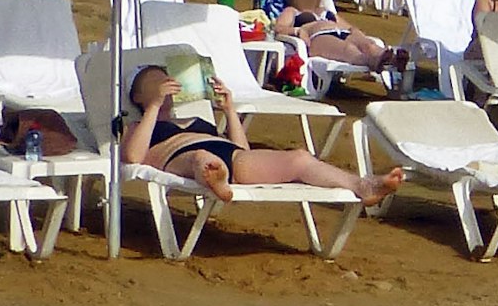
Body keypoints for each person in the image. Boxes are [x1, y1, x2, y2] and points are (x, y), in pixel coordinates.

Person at [120, 62, 397, 207]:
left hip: (228, 155)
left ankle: (362, 185)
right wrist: (154, 106)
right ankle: (215, 178)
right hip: (181, 156)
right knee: (202, 157)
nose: (163, 84)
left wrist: (229, 112)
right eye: (153, 82)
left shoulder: (196, 118)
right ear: (136, 96)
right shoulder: (138, 124)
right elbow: (133, 156)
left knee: (299, 158)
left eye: (166, 79)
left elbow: (242, 150)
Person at [273, 0, 405, 87]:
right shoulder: (291, 11)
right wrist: (297, 31)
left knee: (369, 45)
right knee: (347, 49)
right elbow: (278, 28)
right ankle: (374, 62)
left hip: (342, 32)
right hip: (317, 37)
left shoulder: (323, 10)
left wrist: (357, 33)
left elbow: (349, 27)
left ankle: (390, 59)